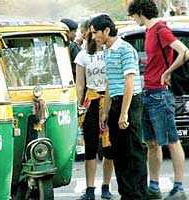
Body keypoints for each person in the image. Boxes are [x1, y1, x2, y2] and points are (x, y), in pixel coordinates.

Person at [127, 1, 187, 199]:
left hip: (160, 93)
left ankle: (179, 187)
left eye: (133, 15)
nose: (133, 19)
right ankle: (154, 186)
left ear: (140, 13)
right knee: (152, 143)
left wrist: (167, 72)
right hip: (148, 91)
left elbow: (184, 51)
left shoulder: (160, 29)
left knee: (171, 140)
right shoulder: (149, 31)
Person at [90, 14, 149, 200]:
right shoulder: (106, 51)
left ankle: (139, 194)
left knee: (134, 151)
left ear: (106, 30)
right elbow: (110, 83)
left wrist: (124, 113)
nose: (93, 37)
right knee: (119, 152)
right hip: (115, 102)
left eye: (95, 33)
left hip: (130, 103)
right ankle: (126, 193)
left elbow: (129, 82)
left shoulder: (125, 49)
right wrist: (105, 111)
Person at [75, 22, 114, 200]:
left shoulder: (111, 52)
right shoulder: (83, 55)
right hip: (91, 101)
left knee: (109, 147)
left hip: (109, 101)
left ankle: (106, 186)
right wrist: (79, 105)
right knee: (90, 147)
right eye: (92, 33)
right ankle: (90, 189)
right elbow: (80, 84)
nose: (96, 36)